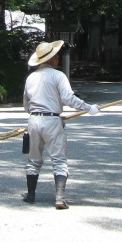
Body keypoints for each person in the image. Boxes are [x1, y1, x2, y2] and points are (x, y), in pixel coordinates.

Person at [22, 40, 99, 209]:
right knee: (59, 159)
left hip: (33, 120)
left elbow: (26, 104)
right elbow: (68, 98)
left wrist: (37, 116)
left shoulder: (31, 78)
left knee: (33, 159)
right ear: (52, 59)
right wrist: (88, 108)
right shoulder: (58, 76)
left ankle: (30, 195)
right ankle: (59, 197)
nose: (57, 58)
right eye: (56, 56)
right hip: (52, 120)